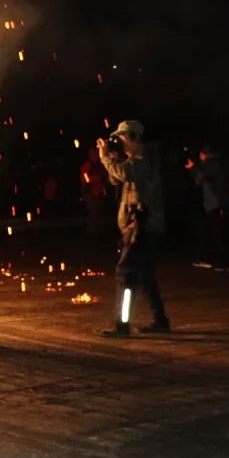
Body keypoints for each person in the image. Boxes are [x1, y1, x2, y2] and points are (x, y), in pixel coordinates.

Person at [96, 120, 169, 337]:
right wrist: (113, 158)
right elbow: (115, 178)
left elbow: (125, 174)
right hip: (140, 226)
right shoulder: (134, 160)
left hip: (142, 227)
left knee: (125, 274)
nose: (120, 142)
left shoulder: (144, 158)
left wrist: (104, 158)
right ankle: (160, 319)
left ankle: (122, 324)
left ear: (135, 137)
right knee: (145, 274)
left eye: (123, 138)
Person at [186, 146, 229, 270]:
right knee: (221, 232)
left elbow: (201, 179)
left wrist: (193, 168)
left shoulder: (210, 164)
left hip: (214, 203)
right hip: (223, 202)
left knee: (216, 233)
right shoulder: (222, 163)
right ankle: (225, 262)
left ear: (203, 154)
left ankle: (219, 263)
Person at [80, 148, 108, 235]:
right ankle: (91, 232)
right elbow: (86, 180)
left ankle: (96, 231)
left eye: (95, 153)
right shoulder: (87, 165)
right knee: (93, 212)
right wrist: (95, 180)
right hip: (90, 193)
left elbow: (104, 178)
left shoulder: (99, 165)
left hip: (98, 192)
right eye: (93, 153)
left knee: (98, 212)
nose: (95, 155)